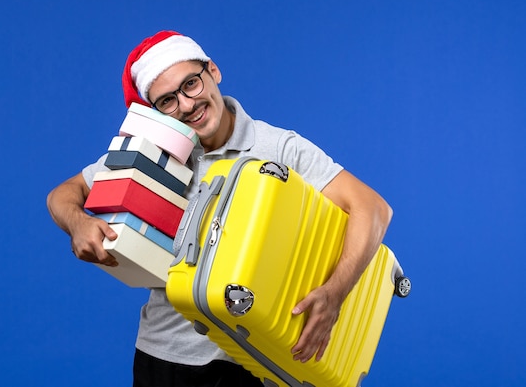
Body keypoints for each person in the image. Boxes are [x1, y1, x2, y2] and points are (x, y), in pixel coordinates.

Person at [46, 30, 393, 387]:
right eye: (166, 101)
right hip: (165, 357)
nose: (185, 105)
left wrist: (335, 293)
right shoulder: (153, 153)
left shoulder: (278, 148)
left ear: (213, 71)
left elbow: (373, 208)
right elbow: (63, 194)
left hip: (255, 359)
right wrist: (78, 223)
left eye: (191, 84)